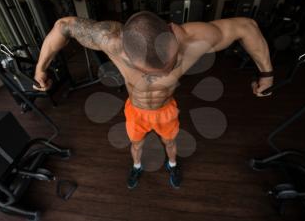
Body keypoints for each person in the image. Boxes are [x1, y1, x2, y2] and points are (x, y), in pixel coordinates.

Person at [34, 11, 274, 189]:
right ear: (125, 50)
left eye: (166, 67)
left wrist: (267, 75)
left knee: (171, 144)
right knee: (136, 145)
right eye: (150, 71)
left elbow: (246, 26)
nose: (158, 75)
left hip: (166, 110)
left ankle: (172, 164)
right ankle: (137, 167)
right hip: (135, 111)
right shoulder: (109, 39)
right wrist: (40, 69)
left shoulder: (191, 39)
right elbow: (63, 25)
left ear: (172, 34)